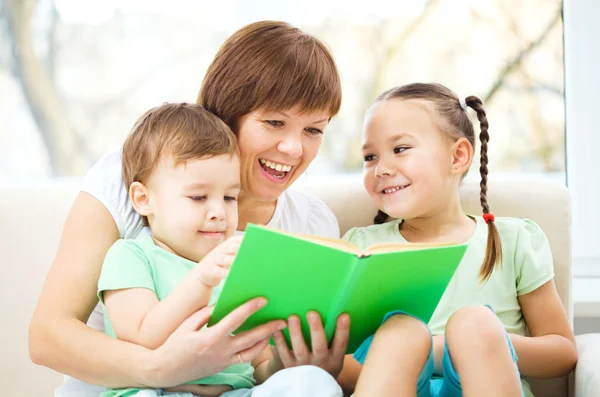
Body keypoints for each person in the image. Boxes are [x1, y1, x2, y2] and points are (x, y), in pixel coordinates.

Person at [29, 21, 353, 397]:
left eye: (313, 130)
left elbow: (262, 362)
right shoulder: (136, 177)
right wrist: (159, 369)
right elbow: (47, 336)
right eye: (274, 122)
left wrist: (302, 365)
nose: (294, 149)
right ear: (229, 115)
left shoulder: (312, 223)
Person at [342, 83, 577, 397]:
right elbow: (339, 365)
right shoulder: (361, 248)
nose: (381, 169)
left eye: (400, 149)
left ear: (458, 157)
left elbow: (562, 353)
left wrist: (467, 346)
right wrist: (415, 351)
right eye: (370, 157)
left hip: (485, 382)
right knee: (401, 335)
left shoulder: (512, 239)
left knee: (476, 324)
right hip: (398, 384)